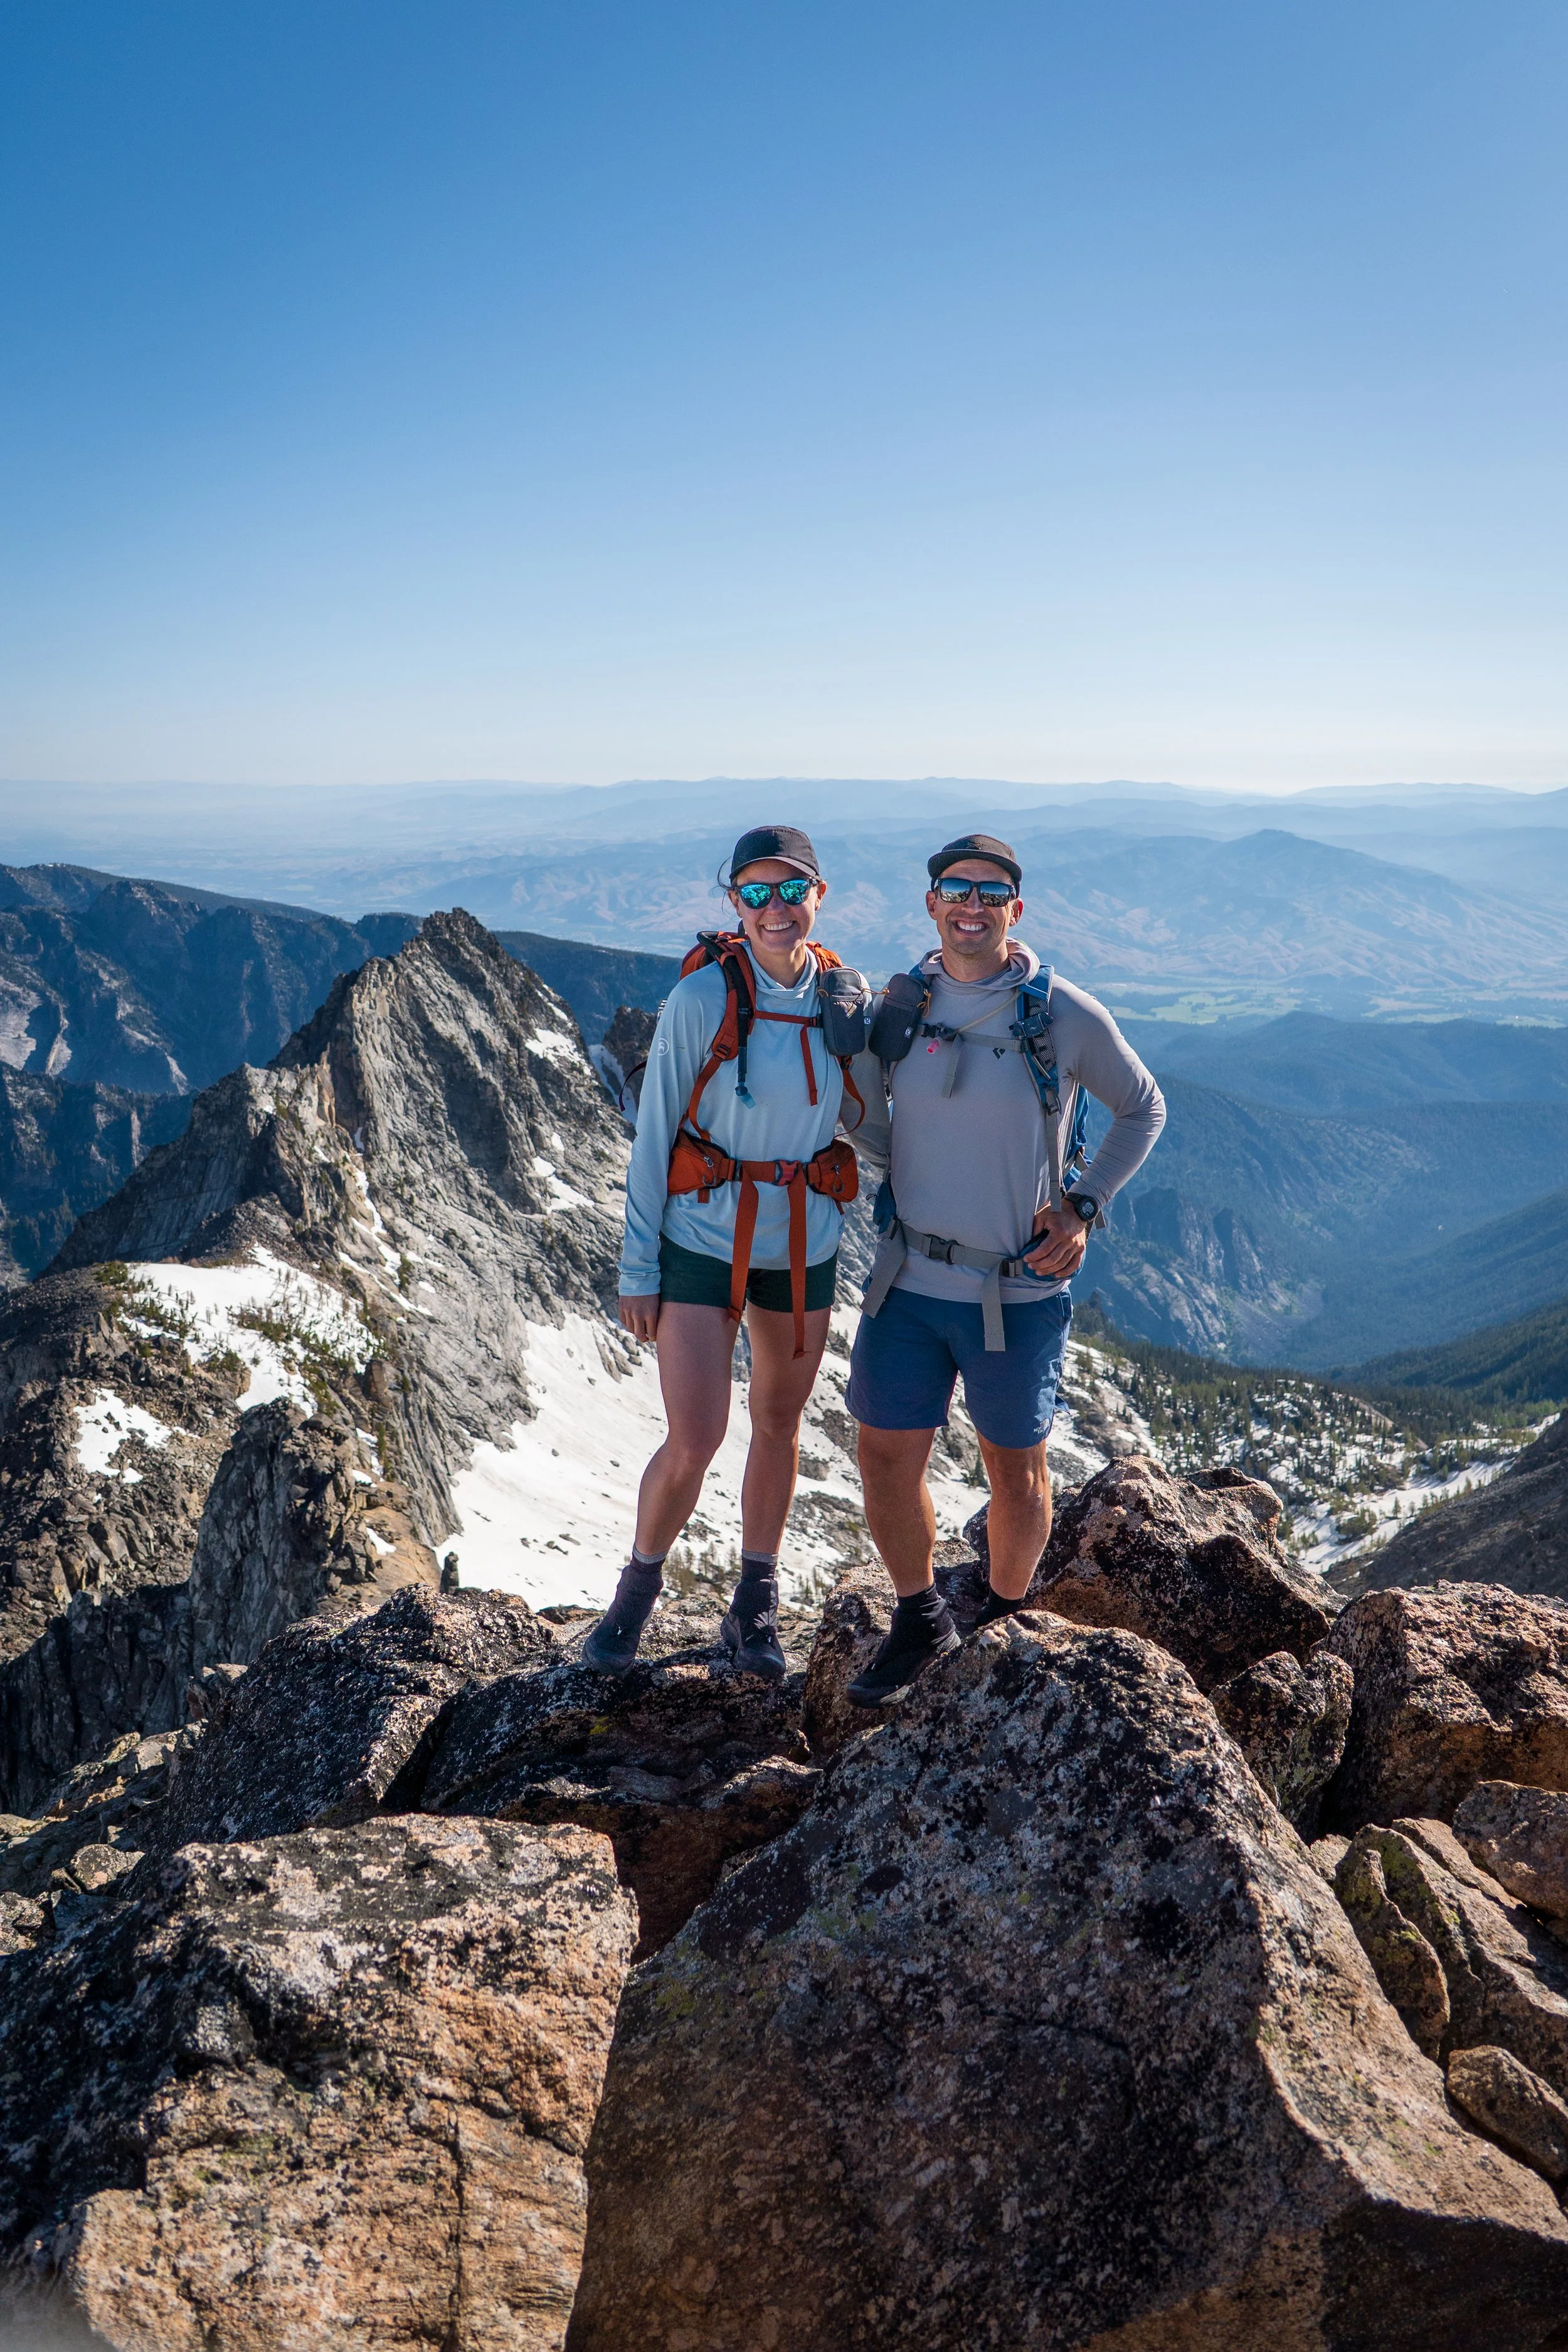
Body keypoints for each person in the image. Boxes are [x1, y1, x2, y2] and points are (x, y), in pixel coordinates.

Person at [842, 832, 1166, 1705]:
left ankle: (1001, 1621)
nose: (972, 906)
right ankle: (919, 1621)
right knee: (882, 1457)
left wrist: (1085, 1205)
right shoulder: (902, 1004)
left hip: (1015, 1288)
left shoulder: (1060, 1012)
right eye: (956, 889)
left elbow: (1144, 1107)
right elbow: (867, 1115)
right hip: (908, 1280)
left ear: (1015, 910)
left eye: (991, 893)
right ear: (932, 903)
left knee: (1015, 1475)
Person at [583, 823, 864, 1682]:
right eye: (755, 894)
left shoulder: (845, 1001)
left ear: (818, 897)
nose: (774, 909)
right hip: (700, 1237)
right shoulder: (702, 1000)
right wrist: (638, 1269)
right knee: (697, 1433)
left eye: (790, 892)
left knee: (778, 1422)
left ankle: (754, 1604)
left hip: (802, 1240)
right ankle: (636, 1592)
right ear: (733, 902)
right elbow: (653, 1131)